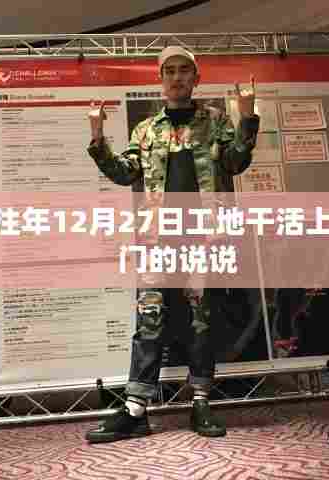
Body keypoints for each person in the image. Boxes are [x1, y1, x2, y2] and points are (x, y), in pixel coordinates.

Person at [85, 46, 260, 443]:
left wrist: (247, 116)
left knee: (201, 320)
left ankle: (200, 401)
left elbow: (235, 163)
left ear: (196, 78)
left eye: (184, 71)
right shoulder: (145, 130)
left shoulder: (216, 121)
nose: (177, 77)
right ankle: (135, 410)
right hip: (156, 238)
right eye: (170, 71)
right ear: (161, 79)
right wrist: (97, 136)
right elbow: (124, 173)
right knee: (149, 320)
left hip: (203, 236)